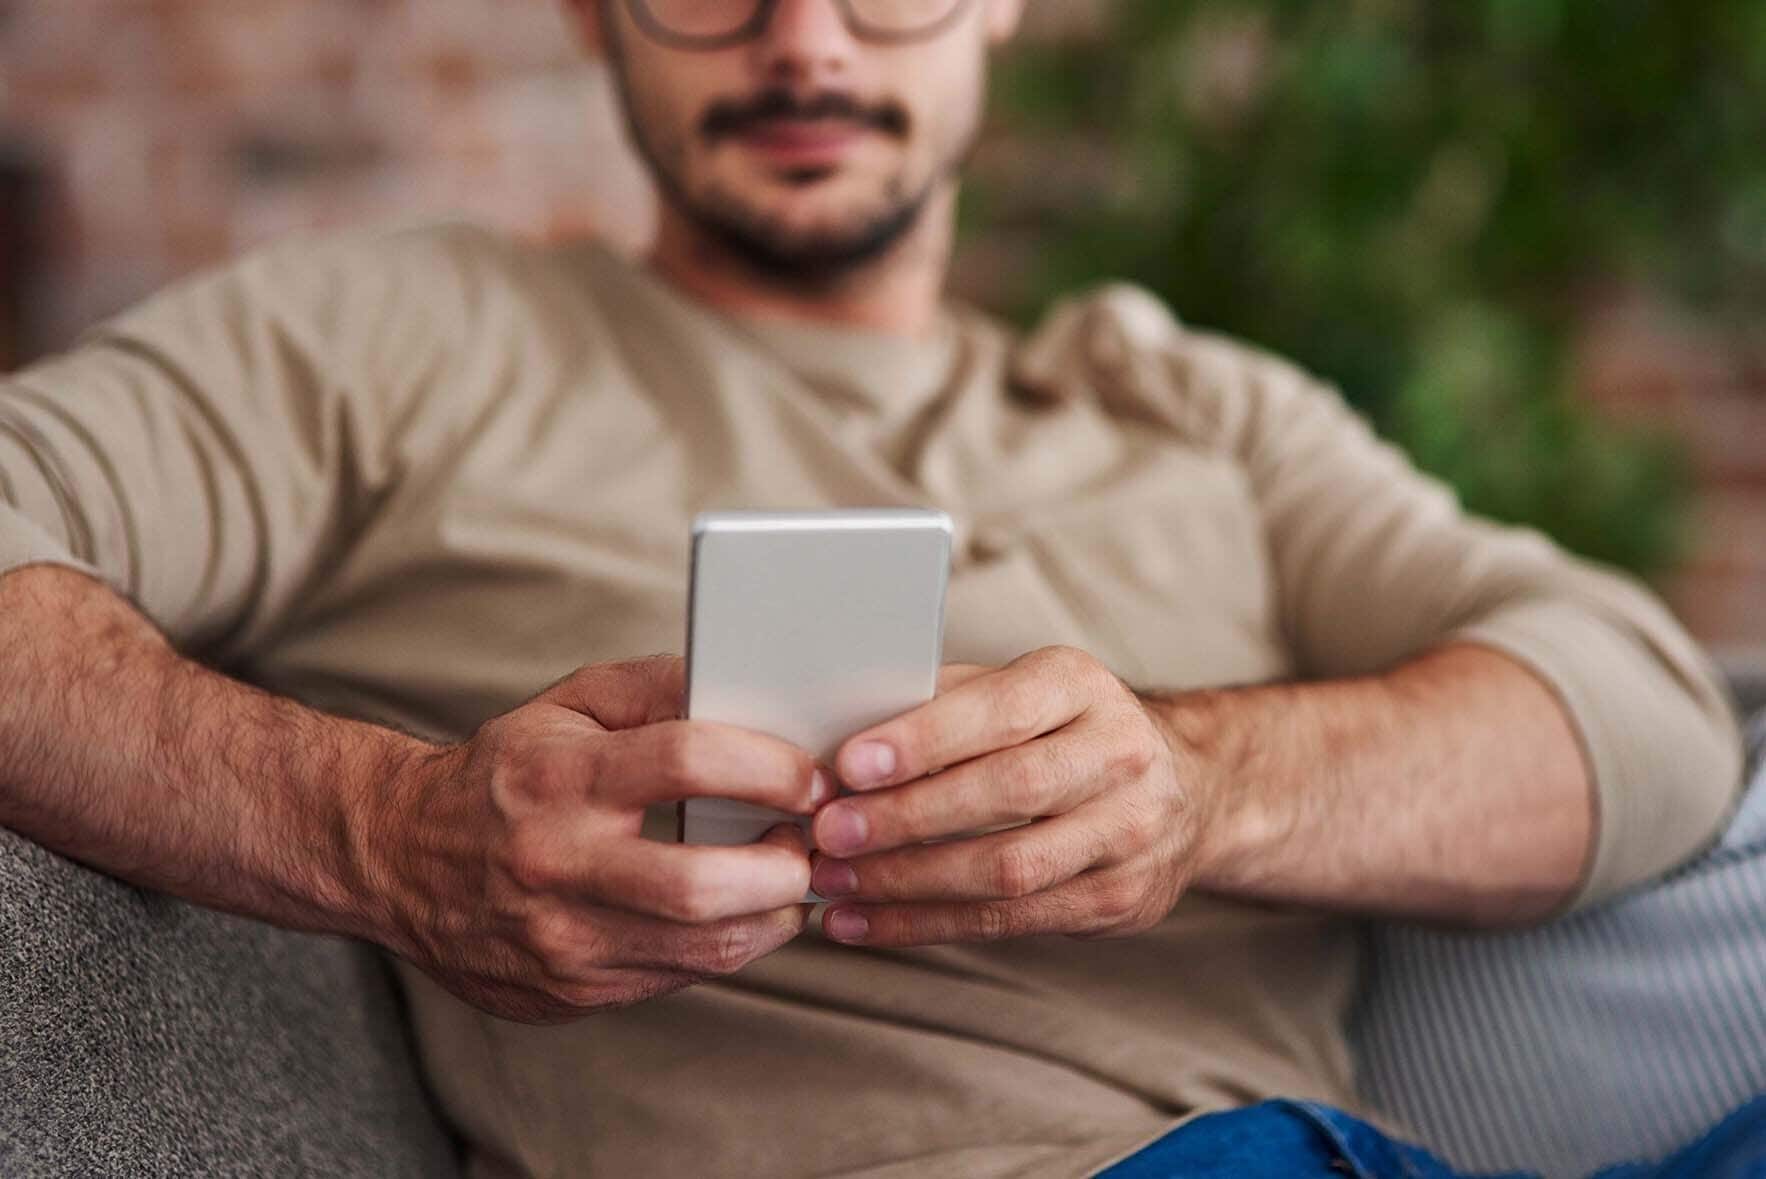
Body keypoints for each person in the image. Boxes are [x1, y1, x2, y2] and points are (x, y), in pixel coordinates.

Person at [0, 1, 1744, 1175]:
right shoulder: (396, 341)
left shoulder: (1180, 401)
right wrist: (385, 834)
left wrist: (1209, 787)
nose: (804, 42)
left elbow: (1648, 713)